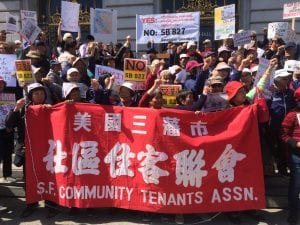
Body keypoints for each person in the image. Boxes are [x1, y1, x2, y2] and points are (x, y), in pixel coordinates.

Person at [5, 83, 58, 218]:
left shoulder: (51, 108)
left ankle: (51, 205)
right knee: (30, 178)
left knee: (49, 177)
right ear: (30, 96)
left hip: (47, 150)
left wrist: (53, 111)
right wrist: (16, 108)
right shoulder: (24, 110)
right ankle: (31, 204)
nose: (39, 96)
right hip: (29, 151)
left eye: (41, 93)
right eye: (36, 93)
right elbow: (9, 124)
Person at [281, 87, 300, 225]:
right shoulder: (292, 115)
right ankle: (293, 212)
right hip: (297, 156)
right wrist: (296, 144)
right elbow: (283, 134)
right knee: (296, 185)